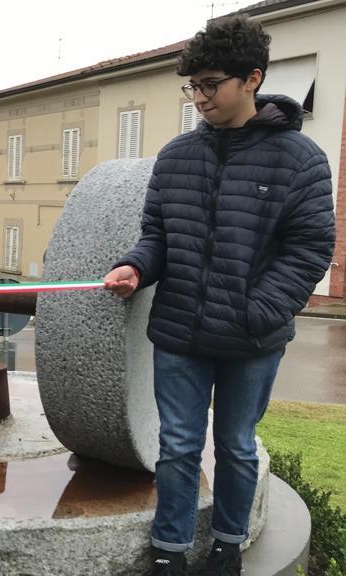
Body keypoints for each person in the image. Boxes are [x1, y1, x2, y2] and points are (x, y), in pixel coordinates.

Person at [103, 16, 335, 576]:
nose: (199, 97)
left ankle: (229, 543)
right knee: (178, 445)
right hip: (180, 331)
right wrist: (135, 267)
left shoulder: (300, 160)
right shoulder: (176, 156)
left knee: (234, 444)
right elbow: (157, 236)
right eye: (193, 86)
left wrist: (261, 309)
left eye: (211, 84)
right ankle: (169, 550)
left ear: (251, 78)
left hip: (254, 337)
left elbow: (310, 248)